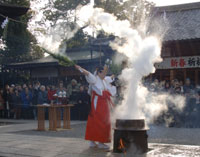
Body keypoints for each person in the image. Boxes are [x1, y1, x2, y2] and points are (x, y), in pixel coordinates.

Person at [75, 65, 116, 149]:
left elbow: (111, 77)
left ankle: (93, 141)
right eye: (103, 73)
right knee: (100, 121)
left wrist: (113, 72)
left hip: (103, 102)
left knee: (96, 121)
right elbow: (87, 73)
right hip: (98, 103)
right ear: (98, 72)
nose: (105, 74)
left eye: (105, 73)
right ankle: (100, 142)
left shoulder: (104, 79)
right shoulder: (94, 79)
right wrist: (80, 68)